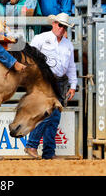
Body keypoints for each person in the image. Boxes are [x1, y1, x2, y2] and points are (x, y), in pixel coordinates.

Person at [24, 12, 77, 160]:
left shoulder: (68, 44)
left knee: (54, 117)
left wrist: (73, 85)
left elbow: (71, 66)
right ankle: (32, 145)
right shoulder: (41, 39)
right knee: (47, 114)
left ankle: (48, 152)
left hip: (59, 82)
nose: (61, 28)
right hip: (44, 81)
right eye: (60, 25)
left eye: (64, 26)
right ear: (54, 24)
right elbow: (30, 56)